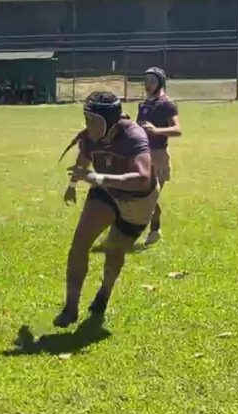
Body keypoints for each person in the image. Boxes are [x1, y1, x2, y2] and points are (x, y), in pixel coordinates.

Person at [55, 91, 159, 328]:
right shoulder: (90, 136)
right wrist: (72, 185)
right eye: (86, 119)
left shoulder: (133, 136)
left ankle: (104, 292)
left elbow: (142, 178)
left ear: (109, 121)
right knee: (80, 242)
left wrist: (97, 177)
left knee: (114, 251)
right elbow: (83, 159)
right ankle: (70, 307)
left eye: (93, 121)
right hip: (107, 192)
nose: (87, 125)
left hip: (138, 200)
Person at [137, 67, 182, 246]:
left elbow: (177, 130)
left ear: (160, 83)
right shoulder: (144, 104)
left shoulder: (166, 104)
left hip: (158, 156)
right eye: (146, 80)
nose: (147, 84)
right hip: (142, 155)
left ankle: (154, 230)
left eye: (152, 81)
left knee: (149, 196)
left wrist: (157, 131)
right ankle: (151, 229)